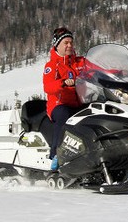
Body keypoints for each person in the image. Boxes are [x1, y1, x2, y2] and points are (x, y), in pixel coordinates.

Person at [43, 27, 85, 170]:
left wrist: (116, 71)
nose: (69, 46)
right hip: (59, 104)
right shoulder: (51, 66)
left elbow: (97, 69)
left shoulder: (80, 62)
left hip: (80, 102)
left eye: (71, 43)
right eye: (66, 43)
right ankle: (56, 155)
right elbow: (48, 86)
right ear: (57, 45)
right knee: (63, 115)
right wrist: (62, 83)